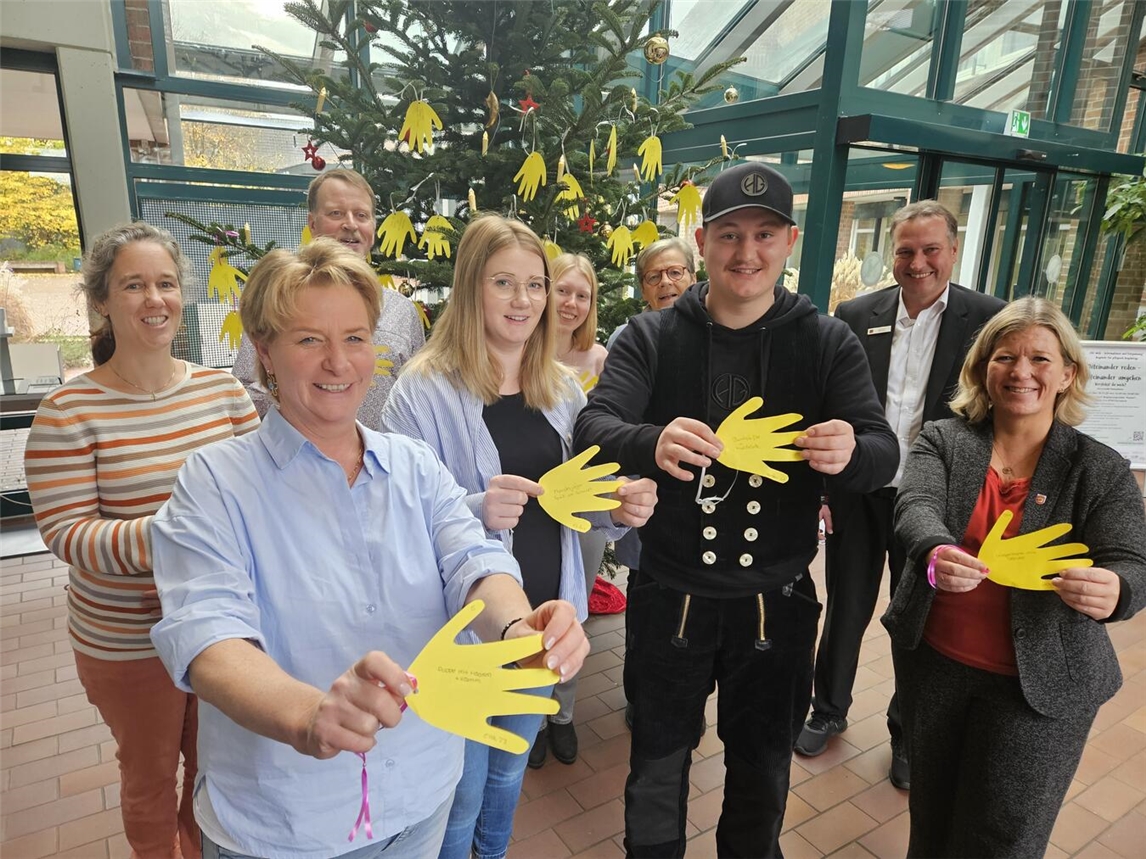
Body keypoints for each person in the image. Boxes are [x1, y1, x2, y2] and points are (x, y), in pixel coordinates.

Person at [150, 238, 589, 859]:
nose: (338, 362)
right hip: (289, 821)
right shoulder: (215, 483)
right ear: (264, 351)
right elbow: (209, 641)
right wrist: (310, 713)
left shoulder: (411, 465)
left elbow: (474, 558)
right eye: (309, 339)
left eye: (355, 338)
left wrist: (521, 625)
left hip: (421, 795)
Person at [575, 161, 899, 858]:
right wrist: (651, 439)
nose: (745, 253)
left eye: (763, 234)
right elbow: (593, 427)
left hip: (774, 602)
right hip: (671, 595)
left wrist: (851, 450)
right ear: (701, 240)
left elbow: (883, 450)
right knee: (658, 761)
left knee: (762, 765)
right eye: (728, 235)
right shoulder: (651, 336)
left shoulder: (825, 341)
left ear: (788, 242)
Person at [380, 215, 657, 859]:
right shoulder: (421, 391)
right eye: (504, 282)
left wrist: (617, 507)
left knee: (507, 773)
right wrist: (477, 506)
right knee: (462, 788)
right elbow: (395, 515)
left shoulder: (559, 389)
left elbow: (578, 505)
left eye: (535, 284)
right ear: (471, 285)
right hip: (464, 629)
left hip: (542, 619)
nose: (525, 300)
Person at [24, 223, 259, 859]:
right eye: (134, 285)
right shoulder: (68, 412)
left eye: (166, 283)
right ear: (102, 301)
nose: (154, 299)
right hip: (125, 641)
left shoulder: (225, 392)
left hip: (218, 626)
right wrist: (178, 537)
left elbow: (262, 496)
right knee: (151, 777)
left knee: (216, 769)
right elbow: (67, 533)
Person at [884, 296, 1146, 857]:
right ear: (982, 369)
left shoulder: (1098, 467)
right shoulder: (944, 439)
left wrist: (1117, 588)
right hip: (937, 665)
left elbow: (1132, 559)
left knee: (1003, 834)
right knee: (931, 818)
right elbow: (916, 506)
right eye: (1005, 357)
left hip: (1041, 685)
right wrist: (934, 549)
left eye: (1040, 360)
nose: (1021, 372)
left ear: (1067, 373)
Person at [796, 201, 1006, 789]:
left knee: (918, 620)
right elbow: (827, 406)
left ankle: (907, 733)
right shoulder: (855, 314)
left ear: (953, 251)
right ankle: (828, 709)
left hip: (933, 503)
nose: (917, 263)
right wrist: (822, 491)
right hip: (860, 491)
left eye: (930, 250)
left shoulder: (988, 320)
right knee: (846, 607)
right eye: (905, 251)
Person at [231, 168, 425, 425]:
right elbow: (249, 391)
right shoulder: (278, 299)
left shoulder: (402, 311)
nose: (351, 224)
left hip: (384, 461)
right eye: (336, 213)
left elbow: (418, 393)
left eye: (361, 215)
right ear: (312, 223)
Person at [536, 252, 609, 768]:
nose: (571, 303)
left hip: (581, 509)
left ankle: (561, 715)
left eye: (581, 295)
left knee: (572, 606)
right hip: (532, 505)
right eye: (563, 290)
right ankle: (530, 714)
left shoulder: (599, 360)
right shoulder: (521, 352)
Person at [606, 237, 696, 349]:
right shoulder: (623, 338)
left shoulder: (713, 333)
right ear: (643, 290)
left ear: (693, 280)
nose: (665, 281)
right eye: (654, 276)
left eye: (675, 272)